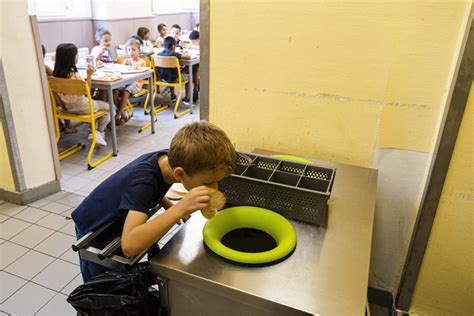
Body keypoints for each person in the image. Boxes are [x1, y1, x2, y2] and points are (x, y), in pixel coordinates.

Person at [72, 121, 236, 282]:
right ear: (180, 175)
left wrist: (166, 204)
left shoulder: (169, 161)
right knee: (102, 286)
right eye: (208, 183)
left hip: (122, 219)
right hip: (96, 228)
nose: (214, 187)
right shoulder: (144, 182)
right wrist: (180, 208)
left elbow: (153, 190)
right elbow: (130, 246)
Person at [53, 43, 109, 146]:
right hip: (85, 107)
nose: (77, 57)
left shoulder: (55, 77)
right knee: (108, 107)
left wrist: (63, 107)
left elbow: (57, 96)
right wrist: (89, 75)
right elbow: (86, 92)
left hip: (69, 109)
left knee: (97, 103)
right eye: (76, 55)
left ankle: (95, 131)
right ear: (71, 58)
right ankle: (97, 132)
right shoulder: (75, 76)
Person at [112, 39, 147, 125]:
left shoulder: (141, 61)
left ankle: (117, 115)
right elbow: (122, 72)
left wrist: (135, 66)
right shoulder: (126, 61)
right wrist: (125, 65)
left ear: (139, 50)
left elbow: (142, 74)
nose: (131, 52)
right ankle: (123, 113)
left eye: (134, 50)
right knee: (115, 91)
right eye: (129, 50)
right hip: (125, 82)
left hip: (137, 83)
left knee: (126, 91)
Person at [157, 36, 191, 102]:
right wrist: (185, 53)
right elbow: (188, 57)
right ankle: (187, 97)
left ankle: (172, 95)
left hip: (162, 78)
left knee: (170, 72)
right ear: (173, 46)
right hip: (175, 78)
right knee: (189, 77)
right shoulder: (174, 54)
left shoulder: (159, 54)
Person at [187, 30, 200, 102]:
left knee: (195, 70)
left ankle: (195, 89)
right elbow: (188, 51)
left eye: (194, 41)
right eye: (191, 41)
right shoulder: (191, 45)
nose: (192, 43)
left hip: (199, 63)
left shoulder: (202, 45)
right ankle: (189, 94)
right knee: (191, 70)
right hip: (191, 62)